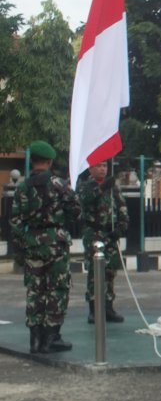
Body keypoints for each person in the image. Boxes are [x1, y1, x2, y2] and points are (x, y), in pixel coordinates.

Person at [9, 141, 81, 354]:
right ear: (49, 161)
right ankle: (51, 338)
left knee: (35, 290)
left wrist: (25, 242)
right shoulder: (59, 183)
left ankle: (35, 339)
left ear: (32, 161)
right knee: (57, 289)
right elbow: (76, 211)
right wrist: (59, 224)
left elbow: (14, 220)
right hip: (55, 242)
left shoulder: (22, 187)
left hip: (32, 243)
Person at [77, 160, 128, 323]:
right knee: (95, 271)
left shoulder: (113, 187)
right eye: (98, 166)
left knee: (110, 270)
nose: (102, 169)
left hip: (110, 233)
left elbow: (121, 207)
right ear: (91, 169)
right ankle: (94, 308)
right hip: (94, 233)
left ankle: (108, 307)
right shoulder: (86, 186)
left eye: (105, 166)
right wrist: (101, 188)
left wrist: (121, 227)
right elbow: (84, 201)